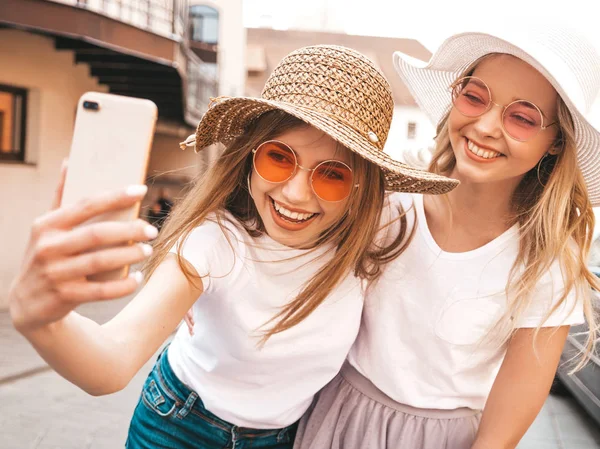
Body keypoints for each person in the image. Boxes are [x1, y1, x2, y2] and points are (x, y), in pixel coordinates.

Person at [7, 45, 456, 449]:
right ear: (250, 158)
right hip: (178, 426)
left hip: (284, 438)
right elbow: (111, 361)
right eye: (279, 157)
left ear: (361, 189)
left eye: (332, 174)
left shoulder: (367, 240)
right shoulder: (214, 241)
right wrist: (42, 321)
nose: (297, 195)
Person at [294, 28, 600, 449]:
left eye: (523, 118)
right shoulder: (388, 204)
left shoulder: (544, 262)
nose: (487, 126)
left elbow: (507, 419)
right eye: (475, 97)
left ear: (555, 143)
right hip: (334, 417)